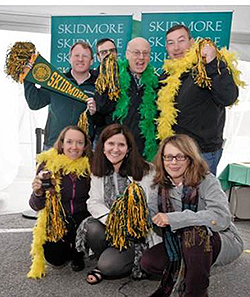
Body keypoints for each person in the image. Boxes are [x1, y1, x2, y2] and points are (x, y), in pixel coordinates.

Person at [140, 134, 244, 297]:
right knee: (149, 262)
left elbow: (221, 218)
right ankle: (190, 272)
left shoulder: (207, 180)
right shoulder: (157, 186)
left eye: (180, 157)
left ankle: (196, 292)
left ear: (190, 158)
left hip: (220, 238)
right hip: (179, 241)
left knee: (194, 234)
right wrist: (137, 215)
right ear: (162, 159)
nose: (173, 162)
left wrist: (173, 218)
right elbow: (155, 222)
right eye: (168, 157)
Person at [75, 123, 161, 284]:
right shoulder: (97, 170)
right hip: (110, 227)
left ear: (128, 148)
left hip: (136, 235)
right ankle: (109, 255)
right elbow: (94, 202)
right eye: (111, 144)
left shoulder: (147, 171)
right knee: (91, 228)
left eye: (121, 144)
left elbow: (151, 207)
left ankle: (118, 260)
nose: (115, 149)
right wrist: (114, 221)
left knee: (108, 266)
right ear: (103, 146)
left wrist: (129, 225)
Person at [158, 24, 240, 175]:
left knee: (202, 198)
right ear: (166, 47)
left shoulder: (207, 67)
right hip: (174, 155)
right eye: (171, 43)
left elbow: (228, 97)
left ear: (191, 42)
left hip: (201, 154)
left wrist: (213, 63)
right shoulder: (165, 76)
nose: (176, 47)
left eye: (181, 40)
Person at [28, 125, 93, 278]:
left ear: (85, 146)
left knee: (89, 232)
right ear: (62, 143)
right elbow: (35, 205)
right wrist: (38, 193)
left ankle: (78, 252)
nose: (74, 147)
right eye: (69, 142)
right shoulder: (47, 165)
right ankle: (69, 250)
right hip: (57, 219)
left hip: (83, 217)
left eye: (79, 142)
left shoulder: (92, 165)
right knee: (56, 259)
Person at [93, 37, 159, 161]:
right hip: (114, 151)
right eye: (136, 53)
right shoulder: (112, 77)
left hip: (142, 153)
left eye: (145, 53)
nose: (141, 57)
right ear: (127, 54)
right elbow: (101, 108)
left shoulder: (155, 83)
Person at [24, 41, 97, 149]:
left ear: (91, 61)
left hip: (83, 148)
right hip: (53, 145)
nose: (80, 59)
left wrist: (96, 112)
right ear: (69, 59)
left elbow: (104, 118)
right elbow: (35, 103)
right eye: (76, 55)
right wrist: (27, 78)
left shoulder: (98, 86)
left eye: (85, 56)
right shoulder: (56, 81)